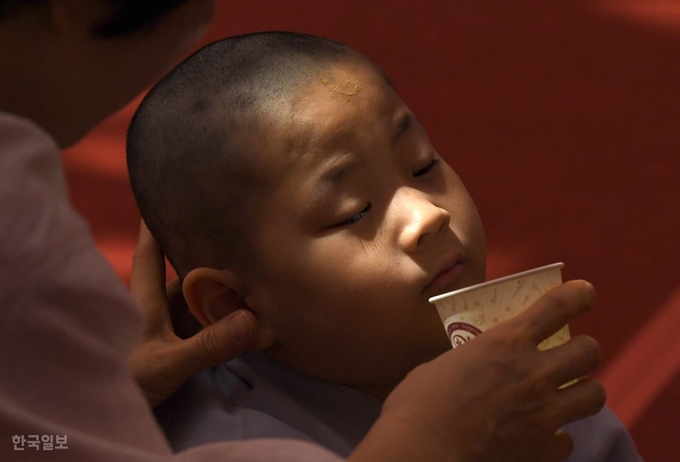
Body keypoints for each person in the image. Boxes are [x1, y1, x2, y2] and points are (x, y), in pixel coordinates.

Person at [126, 32, 637, 461]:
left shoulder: (521, 373)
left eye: (422, 165)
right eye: (354, 213)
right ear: (236, 305)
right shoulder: (231, 447)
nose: (428, 216)